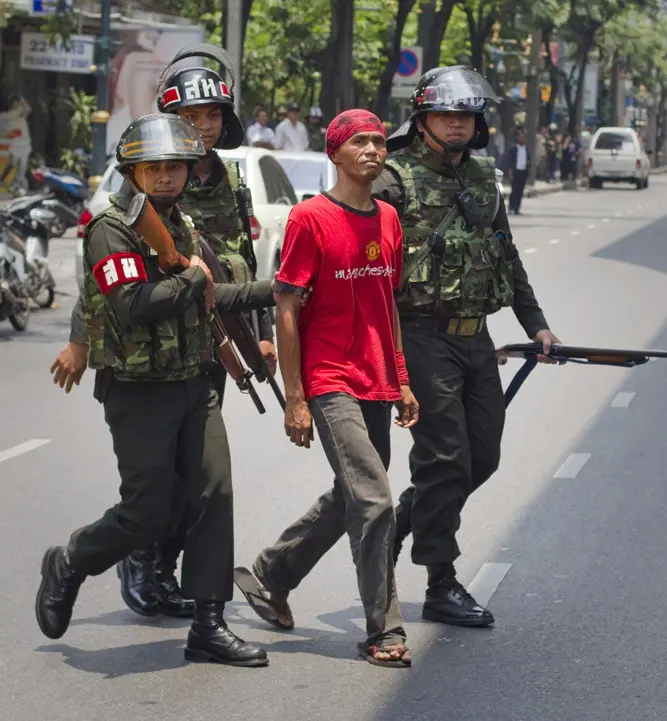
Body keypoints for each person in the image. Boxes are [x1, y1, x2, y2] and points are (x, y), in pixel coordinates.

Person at [36, 113, 274, 668]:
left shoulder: (183, 225)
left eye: (175, 167)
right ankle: (72, 560)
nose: (167, 177)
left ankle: (209, 625)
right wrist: (191, 275)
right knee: (147, 513)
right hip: (139, 392)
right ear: (133, 172)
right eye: (155, 168)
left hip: (195, 383)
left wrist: (281, 290)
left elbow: (216, 294)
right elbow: (134, 305)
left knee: (214, 495)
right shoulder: (110, 230)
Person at [372, 65, 562, 627]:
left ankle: (405, 518)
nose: (457, 126)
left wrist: (537, 324)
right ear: (423, 118)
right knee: (446, 458)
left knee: (482, 456)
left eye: (466, 117)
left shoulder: (482, 178)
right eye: (446, 116)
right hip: (421, 336)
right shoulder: (393, 178)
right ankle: (440, 581)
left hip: (476, 338)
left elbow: (507, 255)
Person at [233, 109, 418, 668]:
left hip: (377, 378)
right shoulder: (310, 219)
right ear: (334, 151)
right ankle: (384, 629)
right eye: (359, 141)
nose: (372, 150)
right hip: (328, 377)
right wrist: (296, 397)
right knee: (374, 497)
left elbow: (388, 308)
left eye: (379, 142)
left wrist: (403, 379)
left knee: (351, 495)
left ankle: (271, 572)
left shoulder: (389, 219)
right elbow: (287, 308)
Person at [507, 126, 530, 214]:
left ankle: (517, 208)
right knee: (514, 190)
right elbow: (510, 161)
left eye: (523, 136)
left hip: (523, 172)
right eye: (520, 136)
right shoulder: (514, 149)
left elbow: (528, 160)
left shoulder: (526, 149)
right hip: (515, 172)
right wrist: (510, 171)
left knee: (520, 191)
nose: (522, 138)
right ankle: (511, 207)